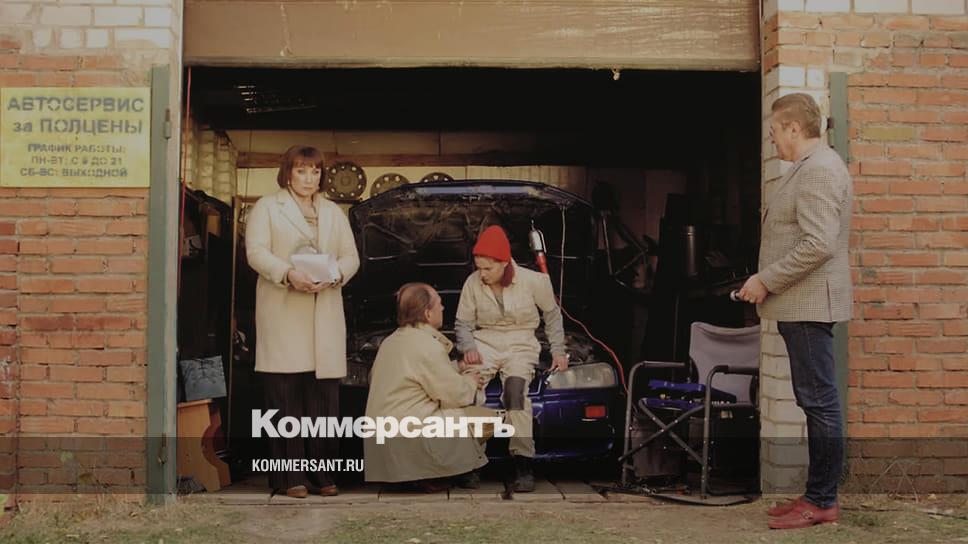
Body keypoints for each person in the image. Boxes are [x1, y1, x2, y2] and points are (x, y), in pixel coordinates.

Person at [737, 93, 852, 530]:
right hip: (802, 303)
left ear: (793, 128)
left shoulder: (819, 169)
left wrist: (766, 279)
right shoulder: (809, 167)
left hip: (809, 303)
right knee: (813, 400)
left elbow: (819, 244)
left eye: (774, 132)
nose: (773, 140)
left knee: (819, 402)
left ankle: (822, 501)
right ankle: (816, 494)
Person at [245, 145, 360, 498]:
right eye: (301, 171)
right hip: (284, 311)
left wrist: (336, 274)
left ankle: (323, 476)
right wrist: (288, 274)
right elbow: (256, 252)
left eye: (315, 171)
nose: (309, 178)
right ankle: (289, 478)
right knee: (285, 398)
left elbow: (351, 256)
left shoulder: (333, 212)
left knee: (324, 400)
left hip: (324, 310)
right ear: (287, 173)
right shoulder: (268, 207)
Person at [455, 225, 568, 492]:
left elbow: (552, 315)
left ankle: (523, 463)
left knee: (515, 393)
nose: (482, 274)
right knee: (470, 391)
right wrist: (468, 346)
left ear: (504, 263)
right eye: (479, 268)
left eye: (487, 268)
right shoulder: (472, 283)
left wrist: (558, 350)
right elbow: (463, 324)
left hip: (521, 343)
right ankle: (470, 463)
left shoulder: (534, 281)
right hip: (485, 342)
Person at [364, 283, 492, 492]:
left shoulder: (391, 341)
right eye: (439, 304)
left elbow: (414, 375)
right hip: (410, 436)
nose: (443, 308)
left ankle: (415, 474)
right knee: (484, 418)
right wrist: (471, 380)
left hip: (385, 443)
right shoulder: (427, 345)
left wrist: (457, 367)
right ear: (427, 313)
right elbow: (456, 395)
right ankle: (440, 473)